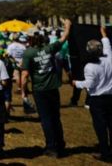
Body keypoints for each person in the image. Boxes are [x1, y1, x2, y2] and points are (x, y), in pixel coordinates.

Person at [21, 19, 71, 158]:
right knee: (56, 117)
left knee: (46, 119)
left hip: (40, 89)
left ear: (30, 38)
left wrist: (24, 92)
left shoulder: (29, 53)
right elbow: (64, 37)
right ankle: (60, 144)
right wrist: (67, 25)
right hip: (53, 87)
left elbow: (24, 75)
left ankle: (51, 147)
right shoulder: (49, 48)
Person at [73, 26, 112, 162]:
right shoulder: (109, 59)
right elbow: (107, 45)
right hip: (110, 97)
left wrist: (76, 83)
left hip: (98, 99)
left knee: (100, 127)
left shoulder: (89, 67)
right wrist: (103, 33)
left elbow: (89, 85)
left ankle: (105, 153)